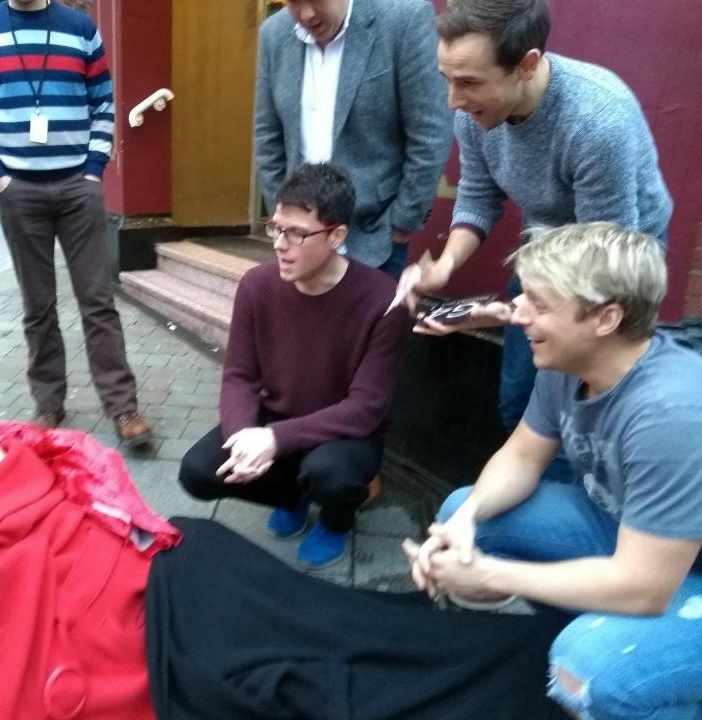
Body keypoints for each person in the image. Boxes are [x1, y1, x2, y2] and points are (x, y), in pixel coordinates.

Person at [0, 394, 573, 720]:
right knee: (306, 662)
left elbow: (65, 459)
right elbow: (17, 626)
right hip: (153, 625)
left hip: (175, 560)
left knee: (336, 619)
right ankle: (519, 667)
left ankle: (515, 651)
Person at [404, 223, 702, 719]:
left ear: (606, 318)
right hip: (630, 536)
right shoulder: (570, 363)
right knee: (462, 510)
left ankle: (648, 679)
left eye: (539, 304)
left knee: (584, 667)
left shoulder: (672, 413)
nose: (517, 313)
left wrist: (490, 574)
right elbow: (522, 456)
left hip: (673, 574)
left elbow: (644, 585)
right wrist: (467, 519)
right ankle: (593, 625)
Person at [399, 0, 672, 463]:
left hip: (618, 261)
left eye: (468, 83)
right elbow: (478, 196)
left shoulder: (597, 121)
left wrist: (499, 313)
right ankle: (526, 491)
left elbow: (600, 274)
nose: (454, 102)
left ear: (526, 65)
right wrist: (444, 267)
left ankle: (584, 509)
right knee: (517, 398)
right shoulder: (474, 113)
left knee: (577, 401)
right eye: (447, 80)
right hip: (546, 249)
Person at [178, 164, 407, 568]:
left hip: (344, 433)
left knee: (330, 475)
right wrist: (242, 439)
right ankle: (291, 497)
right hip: (278, 416)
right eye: (276, 228)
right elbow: (240, 376)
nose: (280, 245)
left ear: (337, 236)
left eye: (297, 233)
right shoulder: (257, 286)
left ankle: (336, 521)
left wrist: (276, 439)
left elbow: (367, 407)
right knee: (198, 471)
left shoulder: (383, 299)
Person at [0, 0, 151, 446]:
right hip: (18, 189)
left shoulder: (80, 28)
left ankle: (123, 407)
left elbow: (103, 101)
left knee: (98, 300)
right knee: (37, 305)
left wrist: (93, 168)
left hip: (77, 187)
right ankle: (48, 402)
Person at [254, 0, 453, 279]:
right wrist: (286, 222)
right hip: (300, 242)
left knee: (372, 323)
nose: (307, 14)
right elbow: (267, 136)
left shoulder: (404, 19)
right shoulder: (273, 34)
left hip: (375, 238)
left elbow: (431, 131)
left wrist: (401, 222)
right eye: (294, 2)